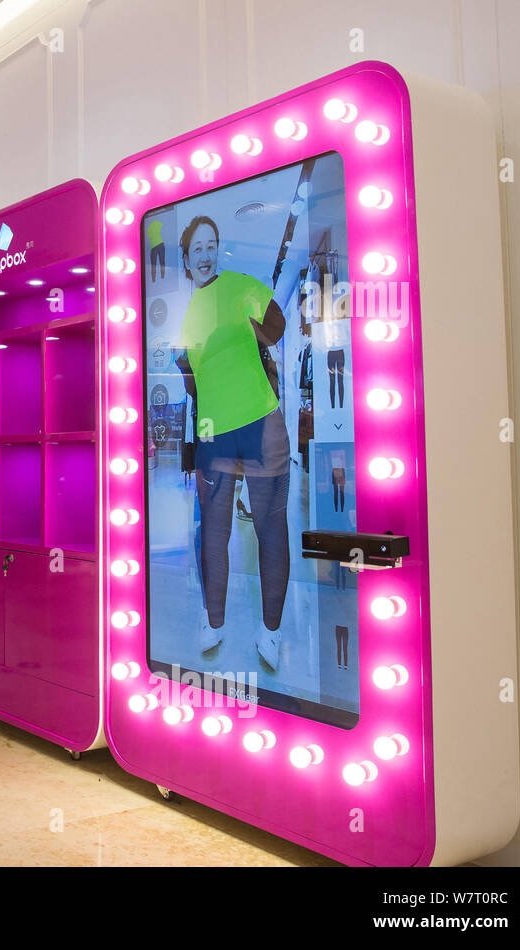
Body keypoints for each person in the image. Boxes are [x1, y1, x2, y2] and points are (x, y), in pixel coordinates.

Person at [173, 215, 290, 671]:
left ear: (217, 250)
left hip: (262, 423)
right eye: (197, 248)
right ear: (185, 260)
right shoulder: (187, 315)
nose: (205, 254)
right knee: (214, 529)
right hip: (213, 433)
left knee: (270, 527)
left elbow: (276, 325)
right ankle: (214, 620)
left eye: (211, 244)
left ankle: (273, 630)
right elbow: (191, 382)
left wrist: (248, 339)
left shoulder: (241, 284)